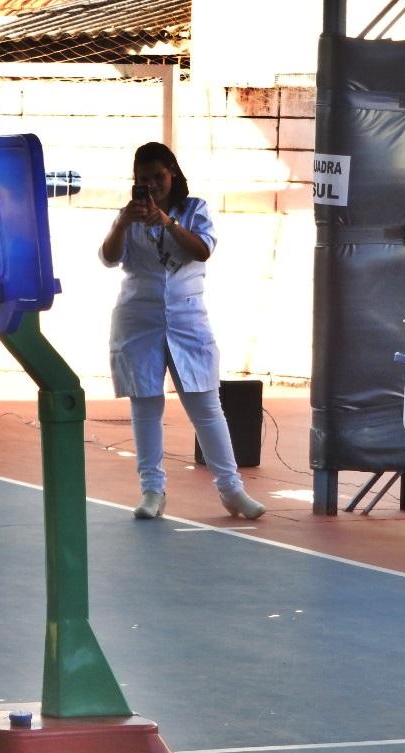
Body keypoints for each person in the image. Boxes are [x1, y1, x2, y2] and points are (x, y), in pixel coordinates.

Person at [100, 141, 265, 521]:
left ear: (172, 173)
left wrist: (167, 222)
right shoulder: (129, 217)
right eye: (143, 179)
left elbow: (202, 250)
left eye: (158, 176)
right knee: (145, 405)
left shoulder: (194, 210)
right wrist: (124, 222)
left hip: (187, 319)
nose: (152, 185)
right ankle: (152, 491)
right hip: (137, 318)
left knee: (206, 407)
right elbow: (109, 257)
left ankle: (231, 489)